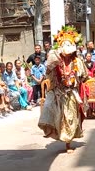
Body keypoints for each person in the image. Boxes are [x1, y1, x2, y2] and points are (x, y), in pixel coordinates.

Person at [38, 25, 89, 153]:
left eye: (70, 51)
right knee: (55, 115)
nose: (68, 54)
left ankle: (68, 142)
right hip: (58, 92)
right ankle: (55, 133)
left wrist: (76, 81)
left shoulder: (77, 61)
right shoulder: (56, 60)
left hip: (71, 93)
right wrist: (52, 66)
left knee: (70, 117)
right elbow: (48, 73)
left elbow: (84, 76)